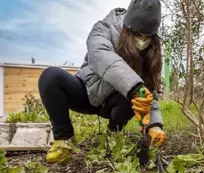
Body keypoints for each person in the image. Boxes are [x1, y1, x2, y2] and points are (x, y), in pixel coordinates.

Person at [38, 0, 166, 163]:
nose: (142, 40)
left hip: (116, 104)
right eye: (138, 34)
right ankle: (64, 140)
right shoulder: (104, 28)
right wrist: (134, 87)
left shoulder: (151, 50)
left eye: (148, 36)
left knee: (134, 96)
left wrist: (154, 126)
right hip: (87, 92)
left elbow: (149, 93)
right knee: (51, 77)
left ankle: (114, 134)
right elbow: (101, 56)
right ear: (128, 27)